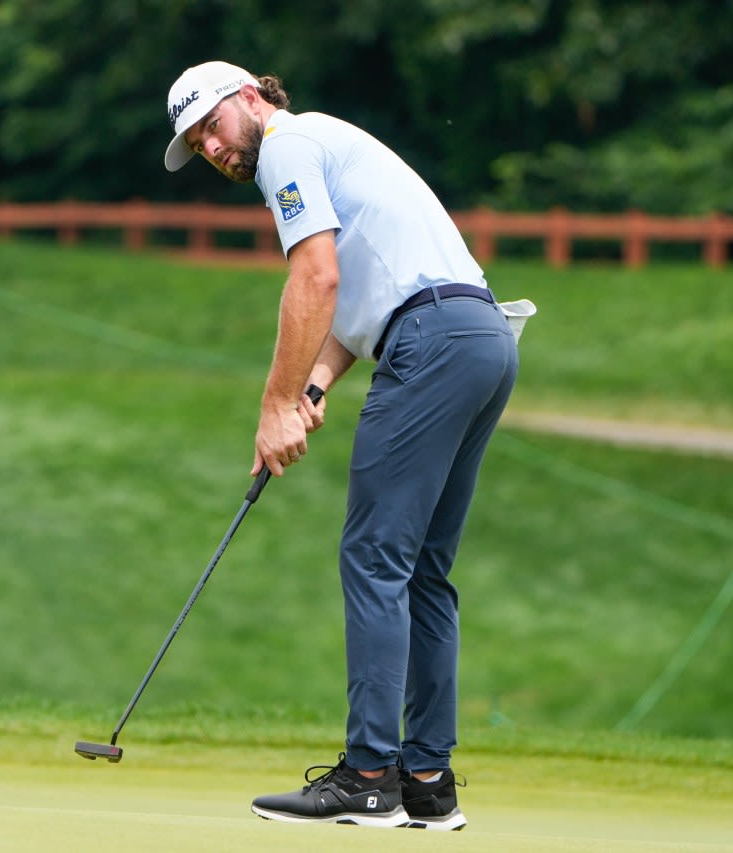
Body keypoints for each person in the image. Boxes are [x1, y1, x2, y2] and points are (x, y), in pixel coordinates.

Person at [163, 61, 519, 830]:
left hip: (431, 339)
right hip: (481, 337)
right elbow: (363, 296)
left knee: (374, 557)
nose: (214, 149)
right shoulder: (326, 144)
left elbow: (316, 280)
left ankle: (366, 776)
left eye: (213, 128)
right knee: (422, 569)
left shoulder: (289, 149)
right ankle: (427, 780)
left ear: (248, 99)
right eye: (198, 144)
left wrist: (276, 406)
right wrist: (315, 386)